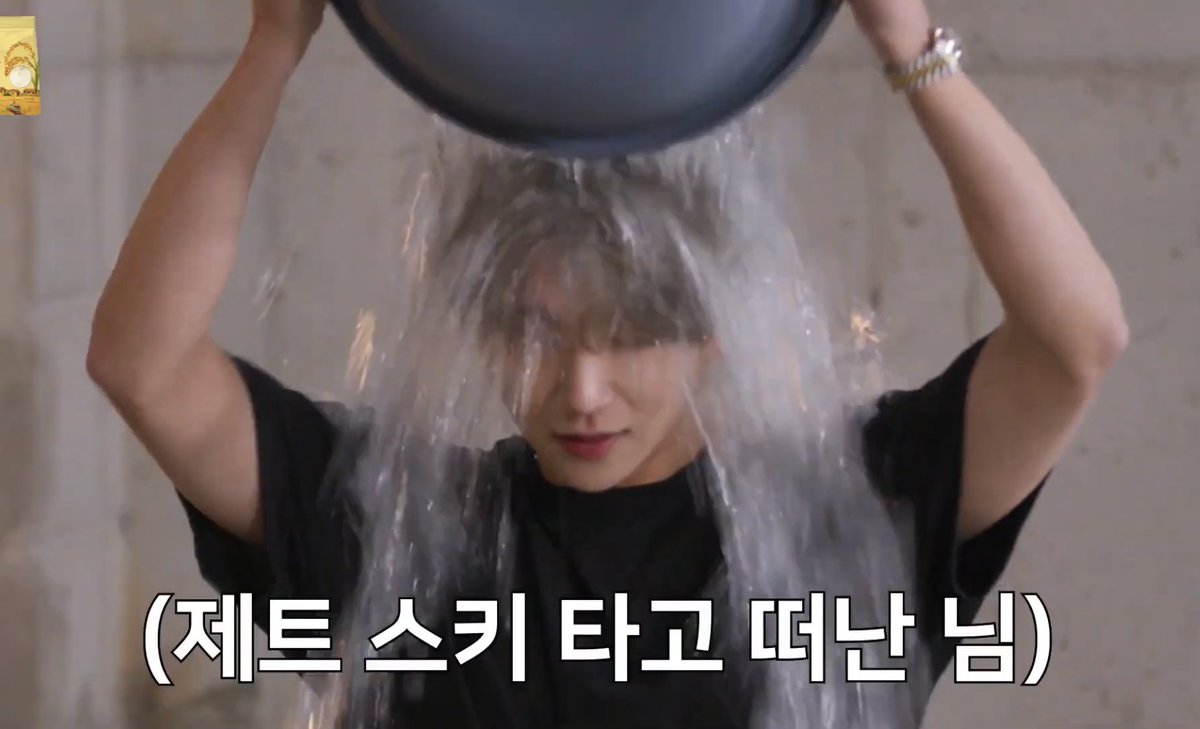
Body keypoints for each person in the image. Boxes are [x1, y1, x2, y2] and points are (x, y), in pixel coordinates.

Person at [87, 0, 1128, 727]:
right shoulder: (403, 533)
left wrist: (912, 48)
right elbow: (144, 364)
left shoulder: (840, 525)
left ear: (711, 327)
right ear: (482, 328)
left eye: (630, 334)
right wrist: (274, 43)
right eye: (536, 335)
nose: (581, 391)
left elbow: (1076, 340)